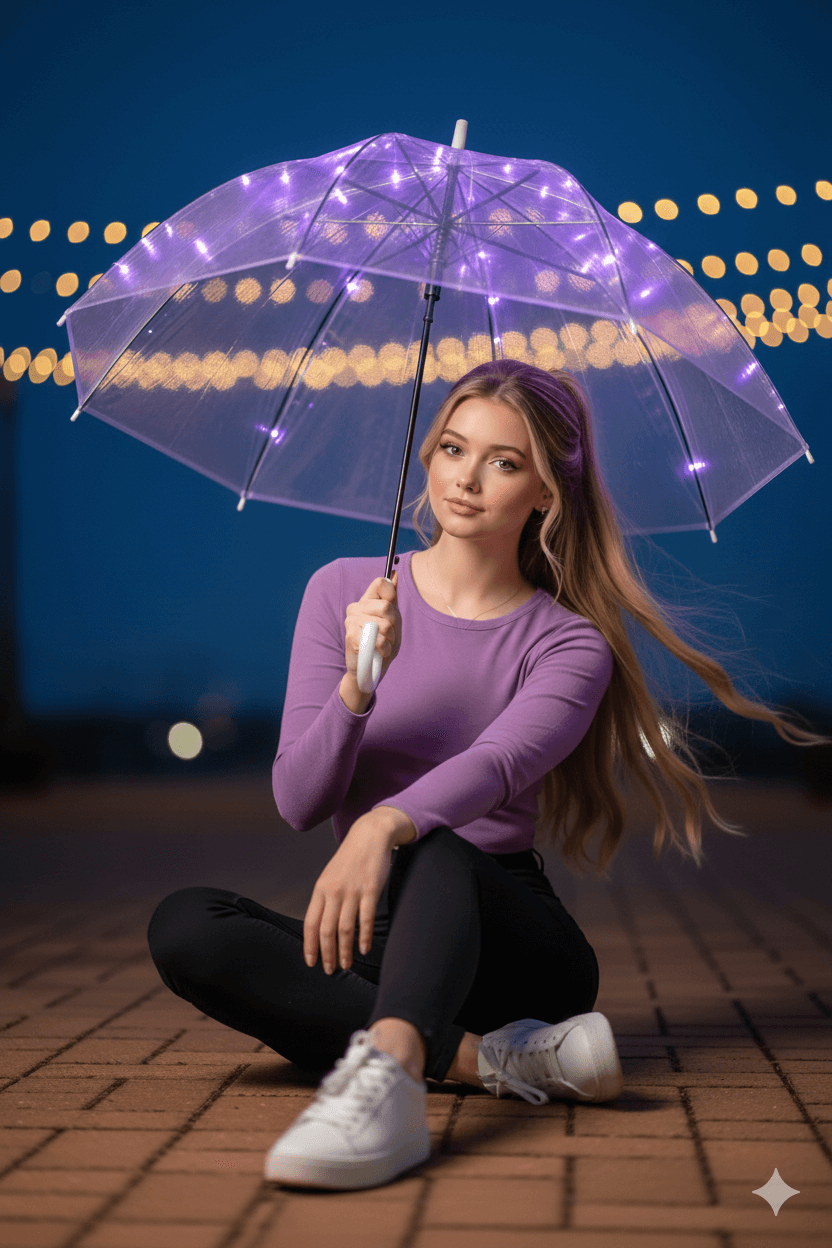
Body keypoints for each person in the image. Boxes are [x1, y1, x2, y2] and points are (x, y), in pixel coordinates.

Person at [147, 358, 827, 1192]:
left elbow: (496, 765)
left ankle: (391, 1086)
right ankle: (492, 1062)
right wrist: (358, 685)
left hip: (512, 948)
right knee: (187, 925)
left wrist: (384, 822)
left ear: (544, 493)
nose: (466, 479)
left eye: (502, 462)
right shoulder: (343, 592)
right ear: (428, 455)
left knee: (433, 843)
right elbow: (297, 801)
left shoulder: (570, 643)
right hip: (378, 942)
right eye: (453, 448)